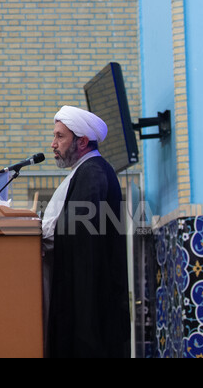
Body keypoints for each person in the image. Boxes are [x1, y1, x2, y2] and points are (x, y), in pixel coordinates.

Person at [41, 105, 130, 357]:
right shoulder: (84, 172)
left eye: (60, 136)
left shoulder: (93, 173)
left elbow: (76, 235)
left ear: (81, 141)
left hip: (89, 310)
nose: (53, 144)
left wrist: (39, 235)